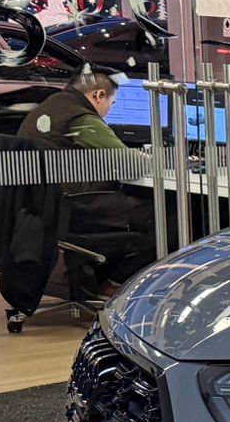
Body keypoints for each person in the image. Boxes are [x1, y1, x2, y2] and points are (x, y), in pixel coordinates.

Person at [17, 67, 157, 283]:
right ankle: (117, 282)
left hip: (48, 206)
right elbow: (133, 165)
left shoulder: (52, 105)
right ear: (99, 95)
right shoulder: (80, 117)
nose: (109, 110)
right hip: (80, 206)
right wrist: (146, 158)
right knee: (166, 213)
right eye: (112, 103)